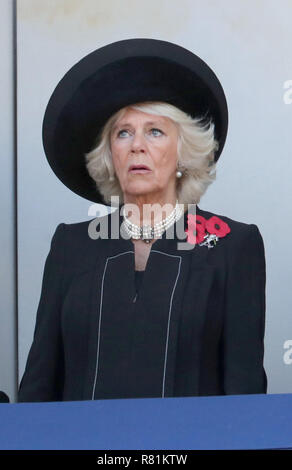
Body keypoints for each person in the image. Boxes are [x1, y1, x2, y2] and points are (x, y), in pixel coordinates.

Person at [18, 38, 267, 402]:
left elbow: (244, 394)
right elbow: (39, 386)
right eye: (123, 133)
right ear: (110, 155)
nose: (137, 145)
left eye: (154, 131)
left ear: (183, 152)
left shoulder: (232, 245)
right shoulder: (71, 246)